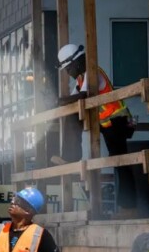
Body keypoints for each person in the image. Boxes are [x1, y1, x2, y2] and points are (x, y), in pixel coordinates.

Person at [55, 44, 138, 214]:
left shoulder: (93, 73)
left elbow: (83, 96)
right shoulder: (81, 78)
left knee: (121, 162)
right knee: (71, 114)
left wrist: (61, 101)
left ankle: (129, 208)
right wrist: (63, 101)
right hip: (105, 123)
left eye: (67, 68)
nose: (67, 73)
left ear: (76, 63)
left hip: (117, 121)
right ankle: (70, 156)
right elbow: (75, 98)